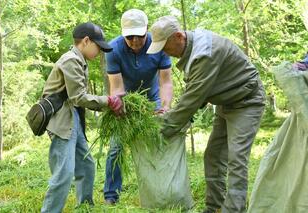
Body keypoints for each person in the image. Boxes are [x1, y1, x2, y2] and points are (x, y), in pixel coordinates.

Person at [147, 16, 266, 213]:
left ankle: (234, 210)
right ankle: (214, 207)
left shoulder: (205, 53)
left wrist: (163, 128)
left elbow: (193, 98)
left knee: (236, 158)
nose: (165, 53)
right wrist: (174, 116)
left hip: (247, 102)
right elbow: (195, 93)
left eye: (166, 47)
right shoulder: (193, 50)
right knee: (213, 155)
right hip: (226, 102)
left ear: (178, 36)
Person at [40, 22, 124, 212]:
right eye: (98, 47)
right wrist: (108, 101)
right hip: (61, 121)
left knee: (86, 165)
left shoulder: (79, 60)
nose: (100, 52)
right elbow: (78, 96)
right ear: (86, 41)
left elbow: (77, 100)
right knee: (64, 173)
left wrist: (106, 104)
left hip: (73, 118)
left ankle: (84, 207)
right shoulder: (70, 60)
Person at [103, 9, 173, 204]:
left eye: (139, 36)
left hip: (152, 100)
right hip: (125, 102)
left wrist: (166, 106)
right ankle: (111, 195)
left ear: (146, 31)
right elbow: (116, 86)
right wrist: (120, 107)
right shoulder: (113, 49)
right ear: (123, 33)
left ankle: (159, 190)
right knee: (116, 147)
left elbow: (166, 82)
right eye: (130, 36)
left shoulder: (158, 45)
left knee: (156, 144)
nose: (135, 41)